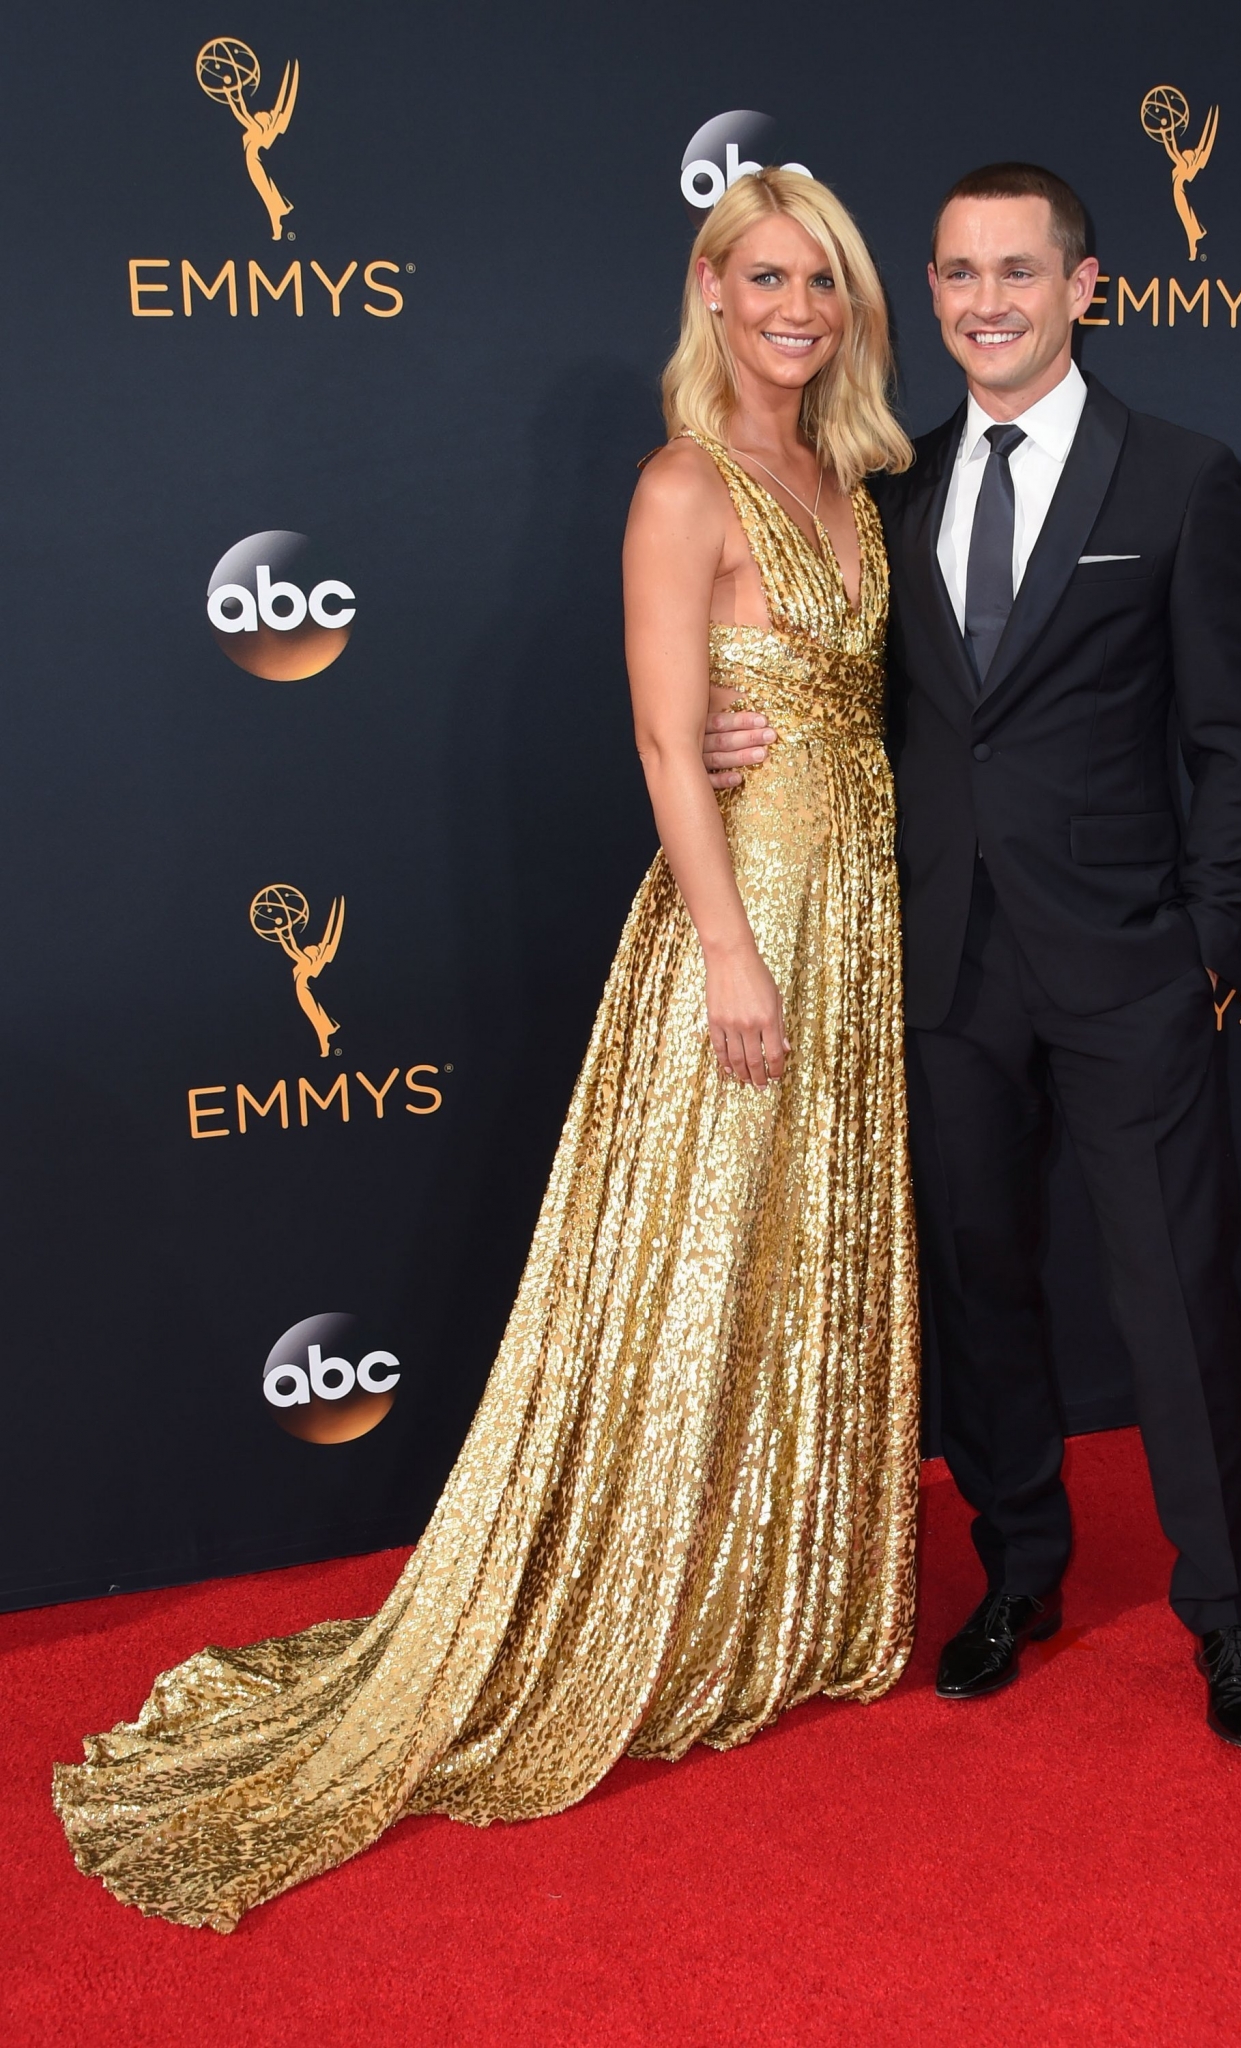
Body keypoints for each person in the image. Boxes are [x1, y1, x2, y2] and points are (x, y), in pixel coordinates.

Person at [53, 169, 919, 1931]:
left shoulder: (855, 473)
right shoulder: (684, 486)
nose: (796, 309)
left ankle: (774, 1590)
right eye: (765, 277)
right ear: (708, 285)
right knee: (690, 1261)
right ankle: (637, 1604)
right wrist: (733, 953)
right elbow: (674, 749)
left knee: (790, 1256)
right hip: (743, 923)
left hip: (864, 917)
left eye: (821, 281)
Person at [706, 162, 1241, 1749]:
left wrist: (1206, 951)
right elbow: (835, 699)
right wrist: (715, 734)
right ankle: (1018, 1569)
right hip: (940, 965)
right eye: (957, 273)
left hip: (1126, 972)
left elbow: (1239, 745)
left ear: (1085, 286)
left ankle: (1225, 1617)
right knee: (979, 1290)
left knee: (1171, 1294)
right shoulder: (888, 486)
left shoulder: (1180, 480)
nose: (983, 302)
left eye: (1017, 272)